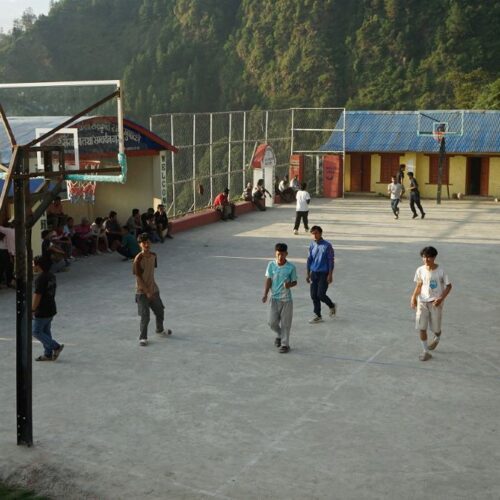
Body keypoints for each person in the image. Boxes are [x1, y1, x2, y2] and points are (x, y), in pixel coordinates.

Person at [410, 246, 452, 361]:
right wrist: (413, 297)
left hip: (435, 303)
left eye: (429, 257)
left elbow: (449, 286)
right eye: (424, 257)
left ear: (434, 257)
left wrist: (441, 298)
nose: (426, 260)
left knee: (436, 328)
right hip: (422, 302)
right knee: (422, 327)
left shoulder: (441, 271)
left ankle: (437, 337)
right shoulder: (420, 270)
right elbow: (419, 285)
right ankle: (426, 351)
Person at [133, 233, 171, 346]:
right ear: (140, 244)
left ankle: (160, 329)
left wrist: (152, 289)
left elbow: (150, 272)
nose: (147, 244)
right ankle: (143, 338)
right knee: (145, 316)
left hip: (154, 289)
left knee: (160, 310)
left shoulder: (154, 256)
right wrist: (147, 292)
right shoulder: (138, 259)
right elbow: (139, 278)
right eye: (144, 243)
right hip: (141, 292)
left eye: (148, 242)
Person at [262, 242, 297, 353]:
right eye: (278, 254)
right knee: (271, 322)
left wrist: (289, 285)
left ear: (286, 254)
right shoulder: (271, 265)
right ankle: (280, 334)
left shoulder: (291, 267)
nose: (280, 257)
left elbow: (295, 282)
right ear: (275, 254)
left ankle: (285, 345)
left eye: (282, 254)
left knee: (286, 324)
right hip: (274, 299)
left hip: (286, 300)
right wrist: (265, 294)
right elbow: (268, 280)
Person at [31, 255, 64, 361]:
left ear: (39, 265)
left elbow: (38, 295)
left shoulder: (40, 279)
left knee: (36, 331)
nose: (33, 266)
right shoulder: (51, 276)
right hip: (51, 308)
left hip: (42, 310)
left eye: (34, 264)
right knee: (46, 331)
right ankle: (48, 354)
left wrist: (32, 309)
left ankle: (56, 346)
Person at [306, 226, 336, 323]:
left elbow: (331, 261)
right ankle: (318, 315)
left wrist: (330, 274)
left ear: (320, 233)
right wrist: (308, 273)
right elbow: (309, 260)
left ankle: (331, 305)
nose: (314, 235)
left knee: (321, 294)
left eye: (316, 233)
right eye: (312, 233)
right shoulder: (312, 245)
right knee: (313, 295)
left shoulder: (327, 246)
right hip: (314, 273)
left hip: (324, 273)